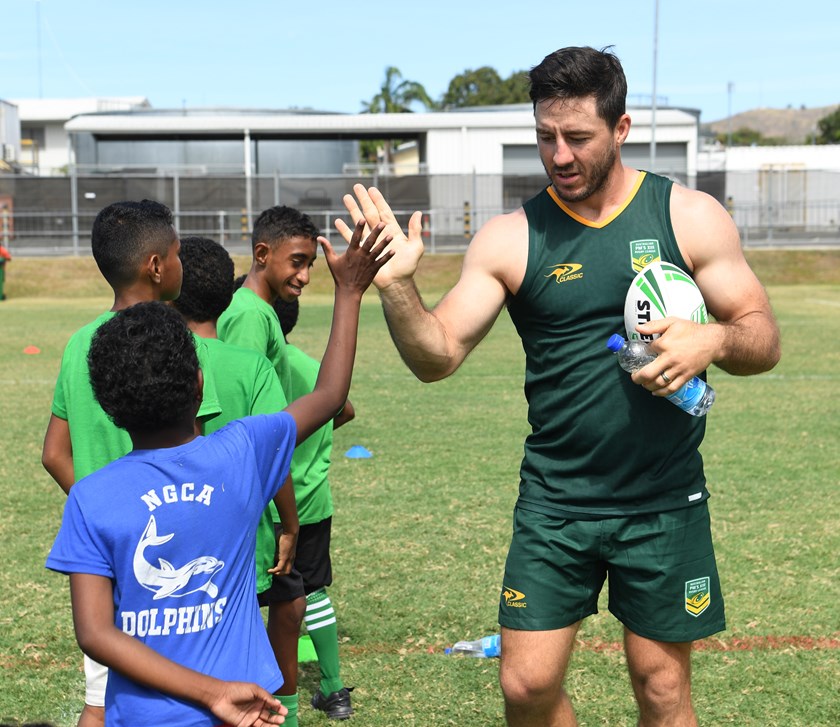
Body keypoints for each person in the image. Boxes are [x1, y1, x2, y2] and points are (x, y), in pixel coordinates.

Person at [336, 46, 781, 727]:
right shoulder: (511, 237)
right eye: (546, 136)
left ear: (621, 129)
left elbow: (763, 337)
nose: (560, 154)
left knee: (662, 688)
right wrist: (398, 287)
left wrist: (713, 339)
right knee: (525, 684)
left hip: (662, 497)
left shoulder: (688, 217)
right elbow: (437, 354)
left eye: (578, 137)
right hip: (557, 499)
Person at [44, 218, 392, 726]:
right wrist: (350, 291)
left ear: (109, 406)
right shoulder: (241, 454)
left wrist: (206, 692)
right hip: (246, 710)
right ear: (199, 382)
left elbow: (96, 634)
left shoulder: (91, 498)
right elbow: (329, 396)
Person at [40, 199, 222, 727]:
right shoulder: (177, 344)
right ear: (157, 266)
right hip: (173, 568)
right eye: (178, 253)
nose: (182, 263)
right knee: (187, 695)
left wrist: (104, 518)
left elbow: (54, 454)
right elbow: (198, 451)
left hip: (108, 564)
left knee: (101, 699)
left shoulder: (79, 343)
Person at [216, 205, 322, 726]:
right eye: (296, 262)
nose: (303, 276)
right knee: (277, 605)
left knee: (289, 604)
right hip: (250, 495)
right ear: (262, 255)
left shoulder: (260, 313)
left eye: (309, 266)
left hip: (262, 489)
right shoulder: (248, 316)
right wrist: (281, 512)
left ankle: (284, 709)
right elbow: (245, 420)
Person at [170, 236, 298, 605]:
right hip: (242, 538)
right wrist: (289, 525)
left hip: (175, 530)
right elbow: (273, 450)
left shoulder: (159, 358)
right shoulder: (252, 366)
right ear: (228, 298)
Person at [272, 295, 356, 720]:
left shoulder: (254, 365)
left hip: (269, 505)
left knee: (257, 598)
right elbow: (345, 409)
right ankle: (334, 689)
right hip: (312, 498)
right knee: (313, 590)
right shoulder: (308, 366)